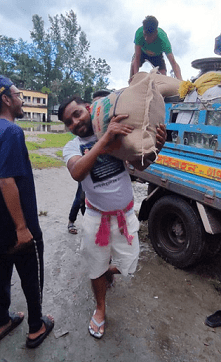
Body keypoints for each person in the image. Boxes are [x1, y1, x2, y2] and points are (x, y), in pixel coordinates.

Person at [58, 95, 166, 339]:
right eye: (69, 122)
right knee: (95, 267)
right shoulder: (72, 147)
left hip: (125, 216)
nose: (75, 123)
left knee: (130, 264)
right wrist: (104, 139)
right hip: (96, 219)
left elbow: (140, 166)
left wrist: (157, 147)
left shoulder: (117, 134)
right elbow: (77, 172)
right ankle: (100, 308)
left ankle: (108, 270)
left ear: (88, 110)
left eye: (77, 114)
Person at [0, 75, 54, 348]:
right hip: (16, 224)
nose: (22, 100)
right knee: (30, 273)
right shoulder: (11, 131)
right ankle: (36, 327)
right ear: (6, 99)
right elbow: (6, 180)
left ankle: (2, 320)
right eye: (18, 94)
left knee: (1, 271)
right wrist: (22, 228)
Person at [67, 91, 110, 235]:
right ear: (89, 107)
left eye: (103, 104)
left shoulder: (108, 127)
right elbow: (77, 172)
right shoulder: (78, 141)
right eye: (95, 104)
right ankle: (72, 221)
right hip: (87, 175)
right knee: (80, 197)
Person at [130, 15, 182, 82]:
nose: (146, 38)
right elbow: (137, 57)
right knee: (133, 63)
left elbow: (173, 63)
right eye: (145, 34)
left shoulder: (163, 40)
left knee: (163, 74)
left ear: (155, 33)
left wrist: (180, 80)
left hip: (157, 56)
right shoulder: (139, 34)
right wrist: (135, 77)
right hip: (142, 52)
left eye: (149, 36)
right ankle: (131, 84)